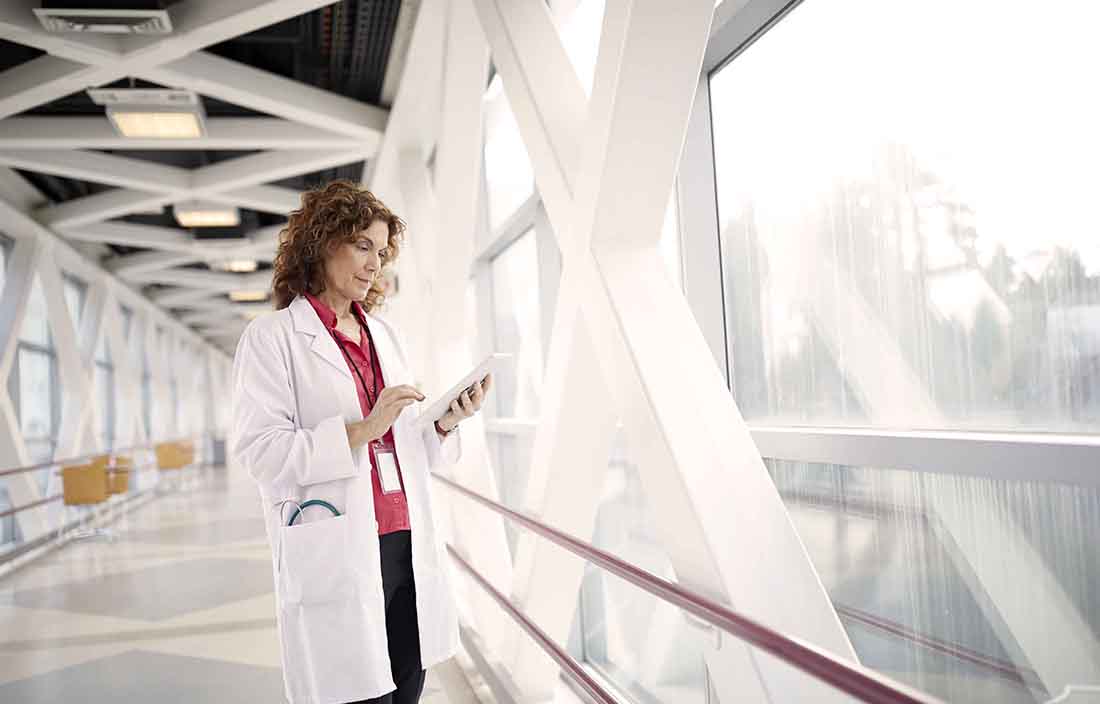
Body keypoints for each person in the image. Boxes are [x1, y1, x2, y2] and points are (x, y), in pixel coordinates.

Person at [231, 180, 490, 704]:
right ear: (324, 243)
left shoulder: (385, 335)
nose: (375, 263)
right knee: (357, 695)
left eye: (382, 250)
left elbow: (403, 442)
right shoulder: (273, 338)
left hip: (405, 545)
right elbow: (261, 452)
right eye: (363, 246)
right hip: (338, 547)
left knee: (406, 692)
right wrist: (360, 431)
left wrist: (442, 424)